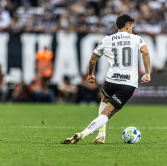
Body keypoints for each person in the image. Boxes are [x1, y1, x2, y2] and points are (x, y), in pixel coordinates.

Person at [62, 14, 151, 144]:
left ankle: (101, 135)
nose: (132, 29)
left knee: (104, 101)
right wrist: (147, 73)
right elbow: (146, 52)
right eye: (131, 26)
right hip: (127, 84)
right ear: (127, 26)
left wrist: (90, 74)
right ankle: (83, 133)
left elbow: (93, 60)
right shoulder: (137, 39)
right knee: (107, 113)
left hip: (111, 81)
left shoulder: (107, 39)